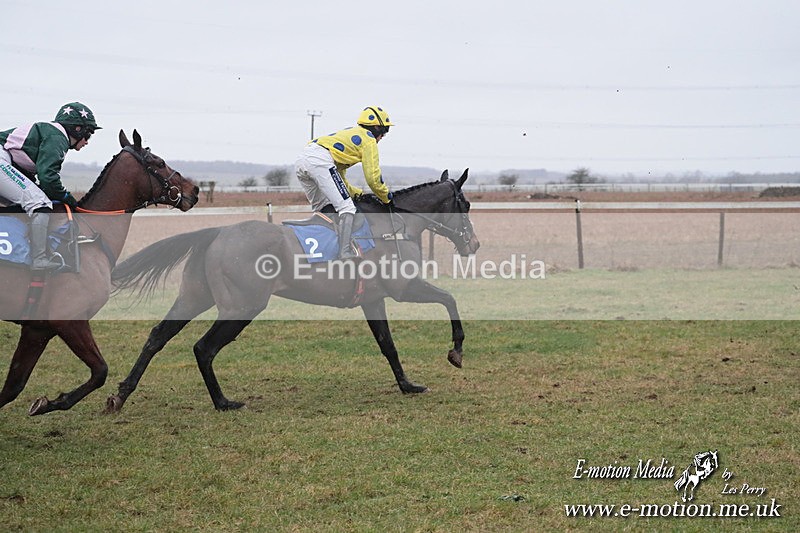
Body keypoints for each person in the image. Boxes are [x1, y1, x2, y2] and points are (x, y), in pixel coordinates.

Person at [0, 102, 101, 271]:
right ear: (77, 129)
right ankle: (39, 259)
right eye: (88, 134)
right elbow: (48, 179)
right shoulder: (57, 138)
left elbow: (36, 178)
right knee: (39, 203)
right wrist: (67, 198)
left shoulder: (51, 134)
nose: (87, 142)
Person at [295, 106, 394, 259]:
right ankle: (344, 252)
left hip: (303, 159)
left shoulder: (351, 135)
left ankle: (322, 248)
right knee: (347, 208)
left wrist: (358, 193)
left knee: (322, 208)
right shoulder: (369, 140)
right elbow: (373, 178)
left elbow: (340, 180)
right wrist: (386, 197)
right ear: (376, 127)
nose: (383, 137)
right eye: (384, 132)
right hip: (320, 161)